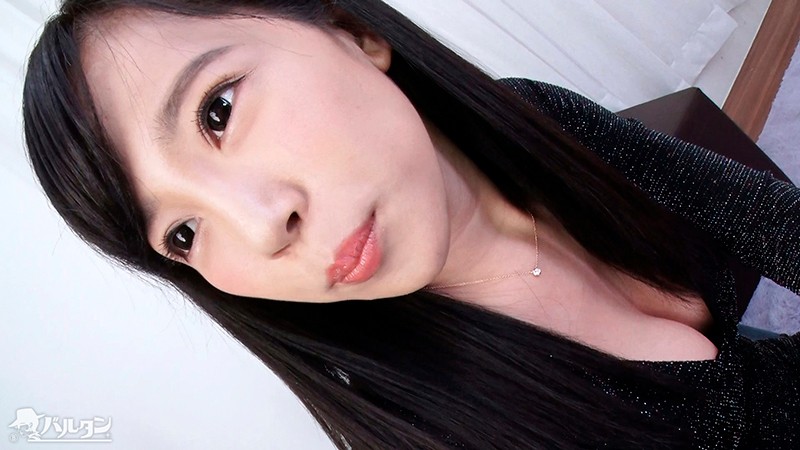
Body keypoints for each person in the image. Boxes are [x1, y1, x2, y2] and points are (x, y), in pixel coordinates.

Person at [22, 0, 800, 448]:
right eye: (183, 235)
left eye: (217, 111)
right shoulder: (439, 431)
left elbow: (774, 221)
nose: (261, 229)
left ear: (350, 30)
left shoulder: (529, 121)